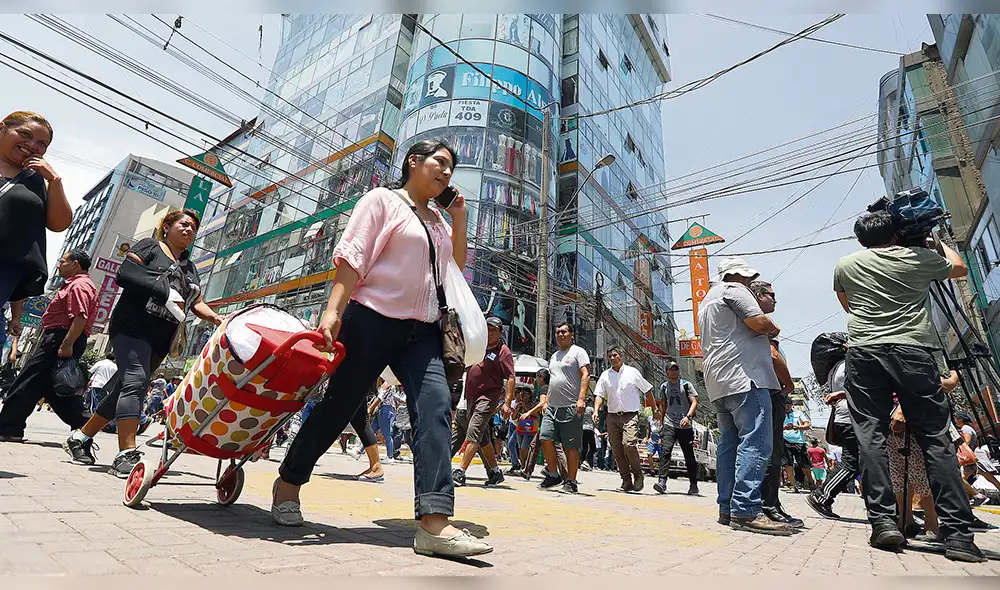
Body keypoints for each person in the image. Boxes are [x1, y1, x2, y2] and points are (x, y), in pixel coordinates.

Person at [271, 140, 492, 558]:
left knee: (436, 406)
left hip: (423, 332)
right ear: (414, 162)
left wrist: (459, 215)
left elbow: (454, 268)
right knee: (340, 406)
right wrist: (333, 312)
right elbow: (353, 257)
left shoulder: (440, 223)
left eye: (451, 168)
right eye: (440, 163)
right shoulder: (383, 201)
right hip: (371, 319)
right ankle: (289, 483)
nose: (447, 173)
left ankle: (434, 522)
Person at [833, 210, 983, 562]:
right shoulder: (918, 257)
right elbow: (959, 268)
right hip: (913, 352)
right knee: (934, 437)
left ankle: (884, 523)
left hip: (864, 352)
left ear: (860, 240)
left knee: (871, 436)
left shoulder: (845, 263)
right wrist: (937, 240)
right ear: (897, 234)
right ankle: (958, 535)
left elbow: (849, 304)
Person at [66, 210, 222, 474]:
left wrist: (219, 320)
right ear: (167, 226)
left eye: (193, 228)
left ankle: (79, 438)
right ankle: (126, 453)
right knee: (136, 381)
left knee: (123, 390)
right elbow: (125, 274)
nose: (189, 230)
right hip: (131, 326)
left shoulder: (190, 268)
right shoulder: (151, 247)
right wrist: (162, 290)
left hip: (161, 338)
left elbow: (196, 303)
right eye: (184, 224)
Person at [699, 257, 789, 536]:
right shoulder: (734, 290)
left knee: (729, 444)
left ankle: (727, 506)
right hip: (745, 376)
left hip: (718, 381)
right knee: (756, 441)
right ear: (737, 276)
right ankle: (747, 510)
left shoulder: (707, 300)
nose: (750, 283)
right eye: (748, 278)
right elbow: (758, 322)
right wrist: (773, 328)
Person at [0, 250, 96, 444]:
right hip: (61, 337)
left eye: (63, 261)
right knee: (57, 389)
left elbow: (80, 317)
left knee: (27, 382)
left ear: (75, 264)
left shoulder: (79, 285)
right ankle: (85, 427)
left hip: (62, 338)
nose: (59, 265)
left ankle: (10, 428)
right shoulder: (77, 284)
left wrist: (67, 343)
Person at [0, 112, 73, 349]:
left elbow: (59, 223)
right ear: (2, 129)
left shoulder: (34, 180)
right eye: (25, 135)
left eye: (42, 144)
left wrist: (54, 180)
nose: (32, 146)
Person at [747, 280, 803, 527]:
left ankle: (771, 502)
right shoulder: (760, 322)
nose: (775, 300)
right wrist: (788, 384)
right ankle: (768, 504)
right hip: (769, 390)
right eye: (771, 295)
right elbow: (772, 355)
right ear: (758, 296)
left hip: (761, 389)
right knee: (771, 450)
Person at [455, 316, 514, 487]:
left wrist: (507, 403)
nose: (489, 332)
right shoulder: (478, 346)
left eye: (493, 330)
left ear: (500, 332)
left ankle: (461, 471)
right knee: (483, 438)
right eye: (487, 328)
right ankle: (495, 472)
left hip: (488, 398)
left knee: (473, 430)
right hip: (471, 398)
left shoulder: (503, 351)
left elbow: (510, 377)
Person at [592, 346, 655, 493]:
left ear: (621, 356)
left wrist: (655, 410)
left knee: (629, 444)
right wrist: (596, 410)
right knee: (617, 449)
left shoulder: (632, 372)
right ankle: (626, 480)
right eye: (610, 356)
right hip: (612, 417)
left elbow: (647, 390)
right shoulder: (605, 375)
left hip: (630, 415)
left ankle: (638, 475)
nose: (612, 358)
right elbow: (599, 395)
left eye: (615, 355)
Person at [538, 322, 591, 494]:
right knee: (545, 437)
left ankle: (572, 481)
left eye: (564, 331)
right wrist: (545, 401)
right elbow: (553, 380)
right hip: (552, 406)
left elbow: (585, 374)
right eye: (557, 332)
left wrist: (581, 399)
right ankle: (553, 474)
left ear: (572, 335)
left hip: (571, 406)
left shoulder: (578, 352)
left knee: (571, 446)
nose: (560, 334)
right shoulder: (554, 356)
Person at [808, 353, 860, 519]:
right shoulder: (849, 364)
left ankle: (823, 496)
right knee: (851, 463)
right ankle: (822, 496)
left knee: (855, 462)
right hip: (851, 417)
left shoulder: (838, 366)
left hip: (845, 417)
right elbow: (858, 388)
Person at [653, 361, 700, 496]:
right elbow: (663, 405)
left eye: (676, 369)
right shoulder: (664, 386)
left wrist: (688, 417)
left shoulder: (686, 385)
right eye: (671, 369)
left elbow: (694, 402)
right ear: (667, 372)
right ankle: (662, 482)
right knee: (665, 452)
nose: (674, 371)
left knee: (688, 455)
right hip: (669, 423)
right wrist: (661, 422)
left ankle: (693, 484)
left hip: (685, 425)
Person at [521, 368, 569, 481]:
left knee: (557, 448)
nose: (536, 380)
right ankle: (527, 471)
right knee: (535, 445)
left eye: (537, 378)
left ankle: (565, 476)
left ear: (541, 377)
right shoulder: (550, 388)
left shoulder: (543, 388)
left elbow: (543, 403)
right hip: (549, 421)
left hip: (548, 422)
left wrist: (528, 412)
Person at [782, 402, 814, 492]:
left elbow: (807, 425)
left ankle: (810, 482)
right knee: (787, 464)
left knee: (804, 464)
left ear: (791, 405)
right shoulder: (780, 414)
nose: (786, 407)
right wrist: (784, 428)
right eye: (785, 404)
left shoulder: (798, 413)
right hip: (784, 441)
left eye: (788, 404)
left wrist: (797, 427)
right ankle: (793, 485)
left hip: (798, 441)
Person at [372, 379, 398, 464]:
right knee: (372, 430)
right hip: (382, 409)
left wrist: (370, 408)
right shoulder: (387, 384)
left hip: (385, 409)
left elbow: (380, 397)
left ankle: (390, 456)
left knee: (387, 434)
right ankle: (359, 451)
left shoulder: (388, 383)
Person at [580, 397, 596, 471]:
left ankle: (581, 462)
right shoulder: (591, 409)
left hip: (583, 428)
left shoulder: (582, 409)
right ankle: (588, 462)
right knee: (593, 447)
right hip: (590, 429)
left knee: (584, 447)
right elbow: (595, 419)